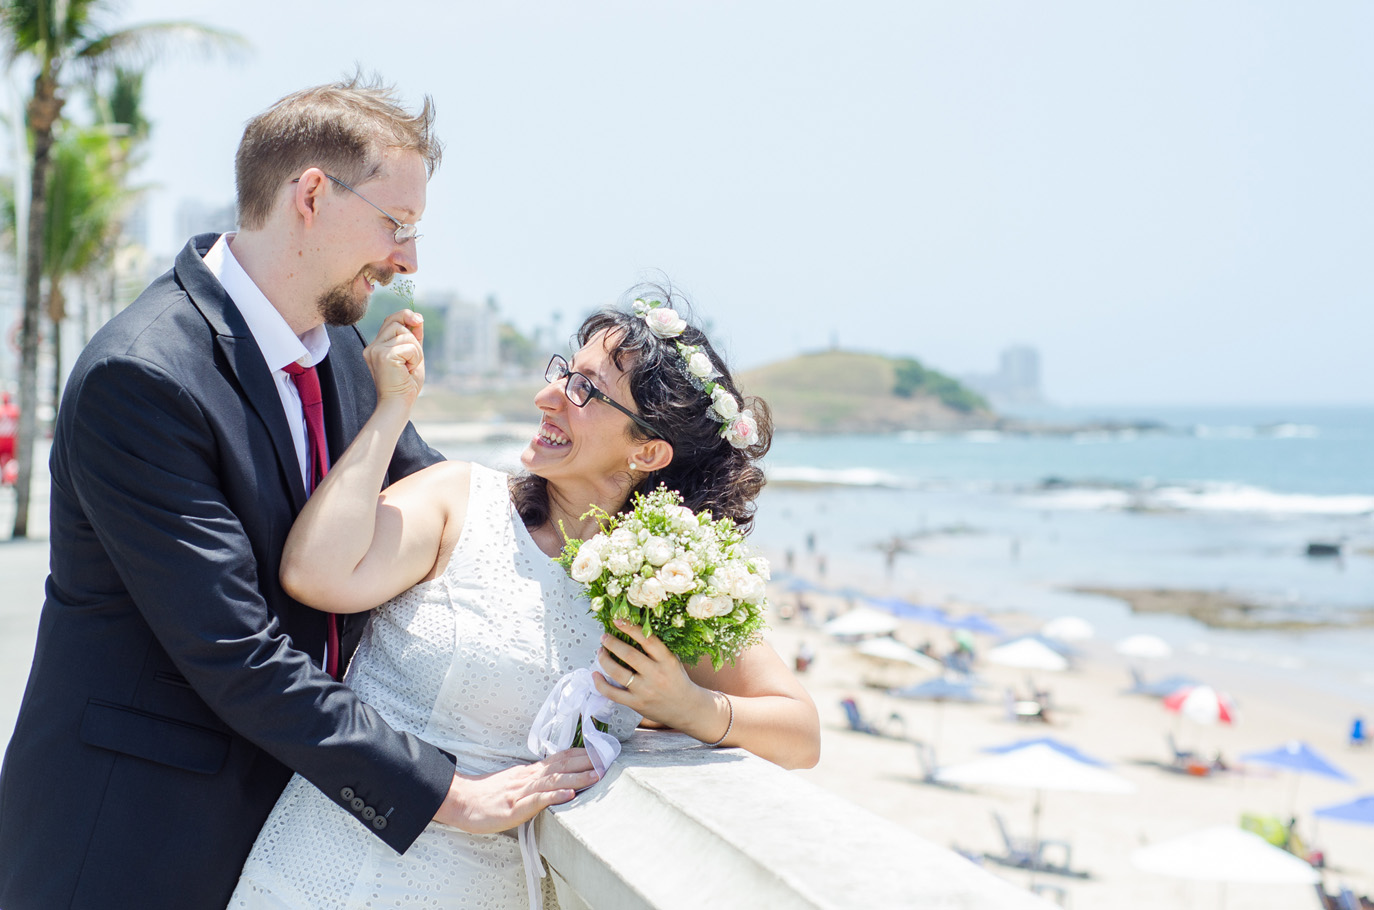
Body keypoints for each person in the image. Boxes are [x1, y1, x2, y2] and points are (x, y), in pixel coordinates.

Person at [0, 76, 588, 910]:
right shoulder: (143, 377)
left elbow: (453, 523)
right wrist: (453, 797)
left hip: (289, 823)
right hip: (133, 833)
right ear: (312, 194)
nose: (409, 259)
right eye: (398, 225)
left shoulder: (343, 348)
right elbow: (235, 650)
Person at [229, 291, 821, 908]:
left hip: (488, 891)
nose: (548, 397)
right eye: (564, 373)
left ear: (647, 452)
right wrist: (392, 411)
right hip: (325, 867)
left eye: (586, 391)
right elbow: (313, 573)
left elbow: (799, 735)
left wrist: (688, 704)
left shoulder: (670, 584)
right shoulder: (460, 499)